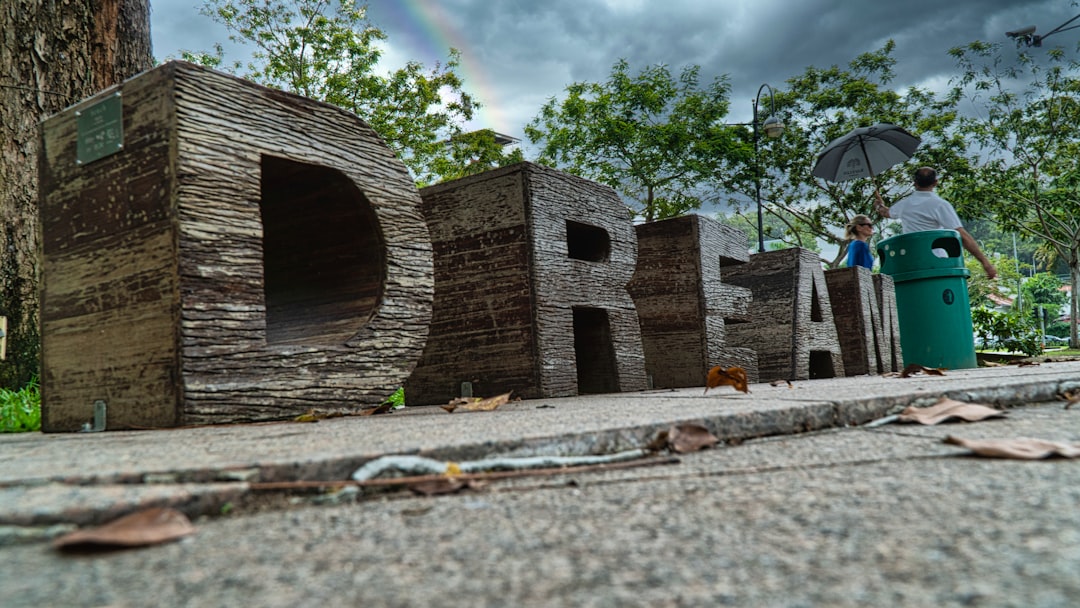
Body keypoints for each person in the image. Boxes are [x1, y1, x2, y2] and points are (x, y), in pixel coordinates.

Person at [874, 167, 998, 279]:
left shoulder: (905, 204)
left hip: (911, 262)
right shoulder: (940, 205)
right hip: (937, 262)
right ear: (935, 183)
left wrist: (879, 206)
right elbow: (962, 236)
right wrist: (985, 263)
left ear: (914, 183)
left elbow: (886, 213)